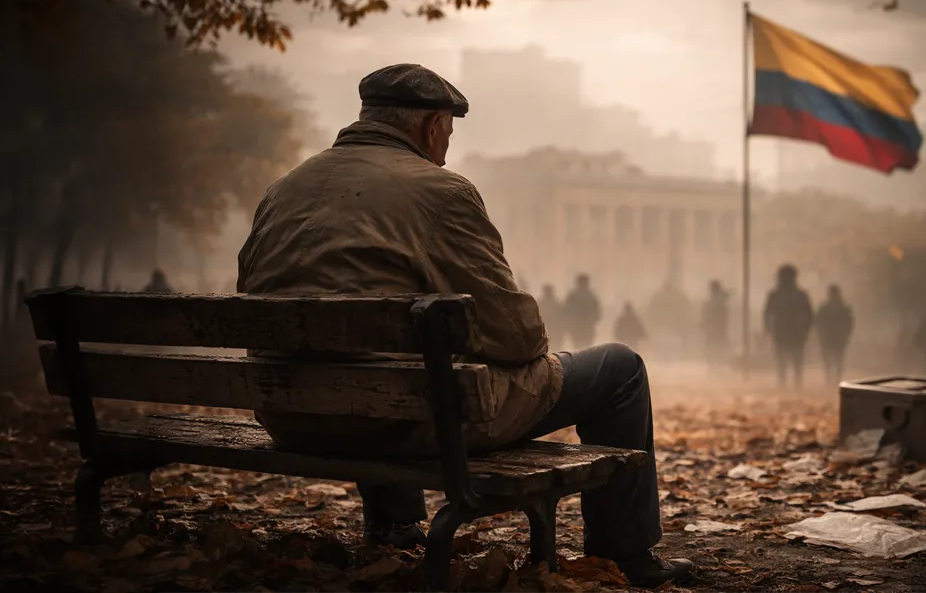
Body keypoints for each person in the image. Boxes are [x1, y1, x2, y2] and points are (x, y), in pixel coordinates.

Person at [235, 64, 692, 586]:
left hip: (292, 414)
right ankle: (625, 553)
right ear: (431, 126)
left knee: (380, 371)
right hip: (396, 419)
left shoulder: (283, 190)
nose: (447, 149)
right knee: (621, 368)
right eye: (447, 134)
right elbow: (515, 334)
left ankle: (395, 526)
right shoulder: (439, 190)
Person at [763, 264, 814, 388]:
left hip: (786, 332)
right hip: (791, 333)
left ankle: (787, 385)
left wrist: (768, 330)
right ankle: (792, 385)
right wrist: (806, 330)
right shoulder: (800, 295)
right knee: (792, 363)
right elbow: (809, 315)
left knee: (786, 363)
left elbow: (767, 314)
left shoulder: (777, 294)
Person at [815, 284, 854, 385]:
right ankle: (830, 379)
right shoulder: (828, 308)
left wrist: (845, 334)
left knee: (837, 361)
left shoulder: (842, 308)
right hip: (828, 338)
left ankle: (836, 379)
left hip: (837, 338)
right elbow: (818, 323)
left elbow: (849, 324)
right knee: (829, 361)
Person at [563, 273, 601, 349]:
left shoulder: (590, 295)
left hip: (584, 326)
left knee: (584, 347)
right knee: (581, 347)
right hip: (578, 326)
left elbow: (597, 313)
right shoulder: (575, 295)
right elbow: (567, 311)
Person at [700, 280, 731, 368]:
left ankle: (715, 366)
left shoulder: (713, 302)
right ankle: (715, 366)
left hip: (715, 330)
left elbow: (707, 315)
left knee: (715, 349)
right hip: (717, 330)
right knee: (716, 349)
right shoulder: (718, 301)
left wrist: (703, 323)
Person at [537, 284, 564, 350]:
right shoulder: (541, 303)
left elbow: (562, 317)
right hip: (545, 329)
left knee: (556, 348)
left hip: (555, 329)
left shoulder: (557, 303)